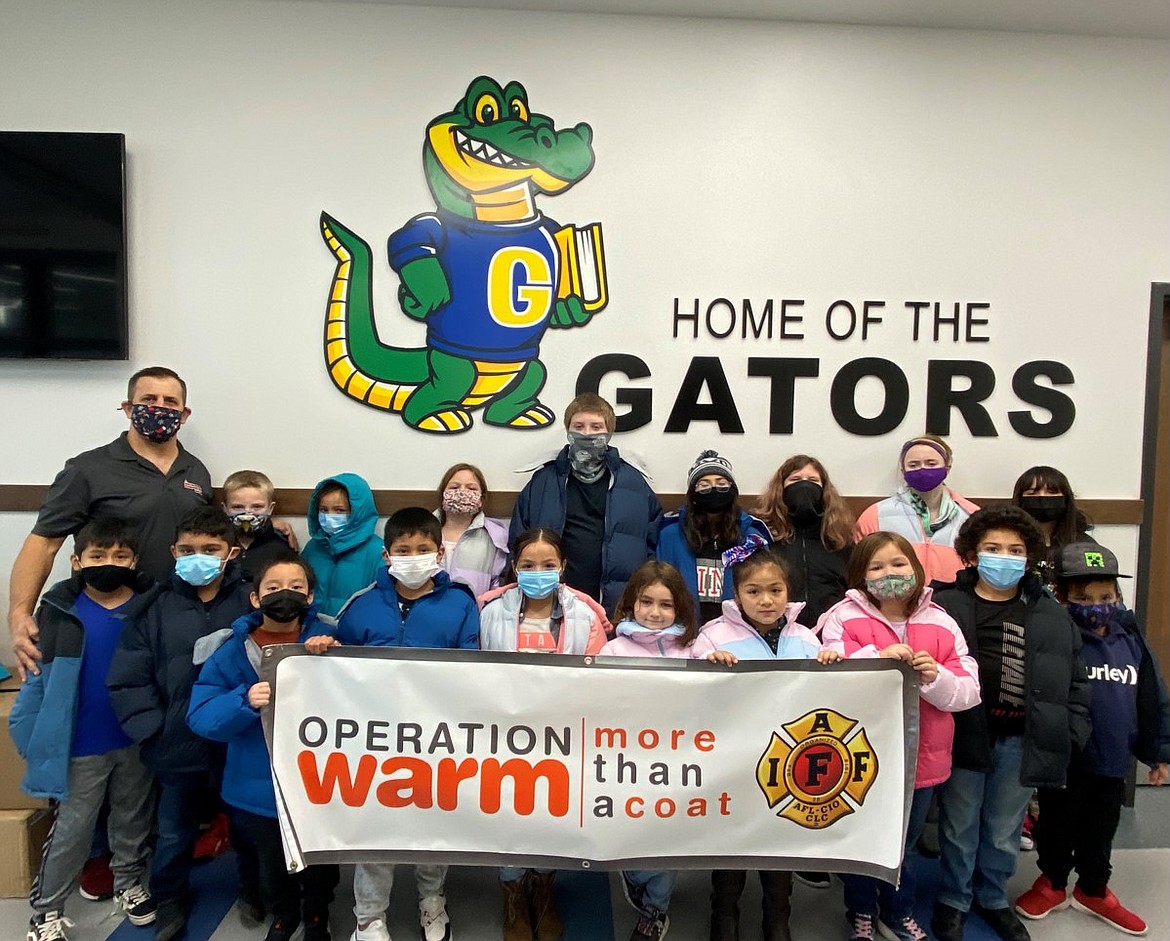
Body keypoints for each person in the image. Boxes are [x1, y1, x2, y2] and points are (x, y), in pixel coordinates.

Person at [313, 507, 478, 941]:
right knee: (375, 825)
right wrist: (324, 651)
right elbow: (338, 664)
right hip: (374, 738)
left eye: (423, 549)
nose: (413, 557)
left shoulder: (461, 604)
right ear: (387, 556)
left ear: (439, 552)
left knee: (434, 821)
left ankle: (431, 900)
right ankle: (369, 915)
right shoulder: (362, 605)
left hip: (438, 737)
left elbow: (477, 669)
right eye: (403, 550)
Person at [930, 506, 1091, 941]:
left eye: (1015, 550)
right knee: (959, 825)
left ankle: (992, 896)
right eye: (993, 548)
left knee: (1004, 828)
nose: (1005, 557)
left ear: (1029, 556)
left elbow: (1075, 677)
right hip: (965, 737)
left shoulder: (1050, 612)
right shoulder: (946, 605)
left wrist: (1070, 730)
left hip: (1023, 740)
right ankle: (954, 898)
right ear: (971, 554)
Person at [818, 531, 981, 941]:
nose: (889, 573)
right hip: (860, 759)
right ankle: (860, 911)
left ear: (916, 568)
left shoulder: (942, 622)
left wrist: (934, 678)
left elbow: (968, 692)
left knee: (904, 847)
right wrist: (877, 662)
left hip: (923, 760)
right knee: (863, 842)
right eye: (876, 567)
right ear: (860, 575)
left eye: (898, 564)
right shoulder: (842, 617)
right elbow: (829, 676)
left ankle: (898, 909)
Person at [106, 506, 254, 941]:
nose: (198, 557)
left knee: (247, 825)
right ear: (173, 551)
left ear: (231, 553)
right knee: (173, 831)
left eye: (210, 550)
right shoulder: (153, 607)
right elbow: (128, 678)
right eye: (188, 550)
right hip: (176, 742)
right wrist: (153, 729)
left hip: (238, 740)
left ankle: (253, 888)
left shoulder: (249, 600)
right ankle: (169, 897)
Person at [8, 518, 159, 941]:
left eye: (120, 556)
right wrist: (36, 740)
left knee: (133, 819)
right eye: (97, 556)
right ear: (76, 562)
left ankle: (128, 883)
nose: (108, 563)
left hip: (135, 738)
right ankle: (47, 911)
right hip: (80, 746)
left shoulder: (149, 605)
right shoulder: (58, 612)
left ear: (134, 561)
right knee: (72, 831)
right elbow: (37, 679)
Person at [8, 366, 210, 679]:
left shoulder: (196, 471)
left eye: (170, 402)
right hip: (107, 617)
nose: (159, 408)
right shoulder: (87, 469)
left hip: (176, 618)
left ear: (184, 414)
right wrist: (19, 614)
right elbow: (44, 543)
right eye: (148, 399)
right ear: (129, 408)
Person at [1013, 542, 1170, 936]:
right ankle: (1051, 882)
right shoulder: (1058, 639)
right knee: (1055, 826)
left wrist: (1158, 755)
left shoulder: (1132, 643)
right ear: (1063, 599)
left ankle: (1093, 889)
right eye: (1083, 598)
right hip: (1066, 760)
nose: (1096, 605)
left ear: (1118, 597)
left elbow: (1154, 700)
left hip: (1112, 764)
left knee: (1100, 830)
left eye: (1105, 596)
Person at [186, 552, 339, 941]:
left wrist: (332, 660)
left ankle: (318, 914)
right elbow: (201, 716)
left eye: (296, 587)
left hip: (319, 782)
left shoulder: (331, 639)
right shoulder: (231, 649)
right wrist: (243, 700)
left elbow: (357, 699)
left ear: (310, 596)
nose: (284, 594)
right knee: (271, 861)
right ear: (255, 598)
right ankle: (284, 913)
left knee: (319, 857)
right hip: (256, 785)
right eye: (273, 588)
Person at [478, 528, 609, 941]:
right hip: (505, 732)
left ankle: (544, 887)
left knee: (551, 812)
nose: (538, 572)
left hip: (563, 733)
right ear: (514, 568)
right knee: (508, 811)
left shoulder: (586, 615)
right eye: (528, 565)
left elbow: (601, 676)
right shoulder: (490, 611)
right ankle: (513, 891)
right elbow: (475, 674)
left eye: (548, 565)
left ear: (563, 567)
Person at [698, 543, 821, 941]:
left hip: (788, 763)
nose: (766, 600)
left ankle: (777, 917)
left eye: (775, 590)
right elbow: (692, 696)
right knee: (732, 839)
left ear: (788, 591)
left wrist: (834, 668)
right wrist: (706, 668)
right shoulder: (713, 637)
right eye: (753, 591)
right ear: (735, 594)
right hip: (735, 760)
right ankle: (724, 915)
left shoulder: (807, 639)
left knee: (780, 839)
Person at [599, 561, 702, 941]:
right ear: (631, 603)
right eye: (646, 602)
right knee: (632, 831)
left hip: (680, 762)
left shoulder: (697, 648)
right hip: (628, 763)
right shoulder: (611, 650)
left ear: (681, 609)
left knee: (668, 838)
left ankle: (656, 909)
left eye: (666, 604)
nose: (655, 613)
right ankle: (634, 873)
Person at [509, 393, 662, 613]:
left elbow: (653, 540)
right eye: (579, 426)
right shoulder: (543, 481)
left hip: (616, 603)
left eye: (596, 427)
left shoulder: (634, 482)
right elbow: (518, 538)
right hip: (551, 603)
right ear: (568, 430)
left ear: (609, 432)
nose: (587, 434)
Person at [657, 450, 772, 625]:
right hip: (682, 631)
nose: (713, 489)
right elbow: (657, 583)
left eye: (721, 483)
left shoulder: (751, 537)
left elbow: (765, 586)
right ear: (692, 494)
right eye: (704, 485)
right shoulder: (670, 535)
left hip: (738, 633)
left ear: (732, 491)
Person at [854, 434, 978, 586]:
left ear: (947, 467)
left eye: (931, 463)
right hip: (895, 604)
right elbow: (859, 568)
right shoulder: (876, 514)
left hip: (953, 604)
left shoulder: (971, 516)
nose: (922, 469)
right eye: (913, 465)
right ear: (903, 470)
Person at [753, 454, 854, 628]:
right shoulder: (763, 537)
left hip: (833, 635)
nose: (804, 485)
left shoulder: (840, 540)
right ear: (781, 488)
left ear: (824, 489)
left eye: (813, 480)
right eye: (795, 479)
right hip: (777, 633)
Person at [301, 473, 384, 617]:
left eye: (340, 510)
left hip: (355, 633)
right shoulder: (313, 548)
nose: (329, 516)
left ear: (357, 513)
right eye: (323, 510)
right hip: (311, 630)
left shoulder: (377, 551)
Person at [1010, 466, 1093, 591]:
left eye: (1052, 492)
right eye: (1033, 493)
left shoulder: (1084, 545)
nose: (1042, 498)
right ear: (1020, 500)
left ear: (1066, 498)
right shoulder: (1008, 543)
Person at [436, 462, 509, 596]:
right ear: (442, 495)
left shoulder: (496, 536)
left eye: (471, 488)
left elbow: (498, 583)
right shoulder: (424, 531)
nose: (462, 492)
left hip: (476, 613)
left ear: (481, 499)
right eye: (454, 487)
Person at [222, 470, 294, 582]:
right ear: (225, 508)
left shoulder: (281, 547)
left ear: (270, 508)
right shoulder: (218, 543)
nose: (247, 514)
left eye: (257, 507)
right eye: (237, 507)